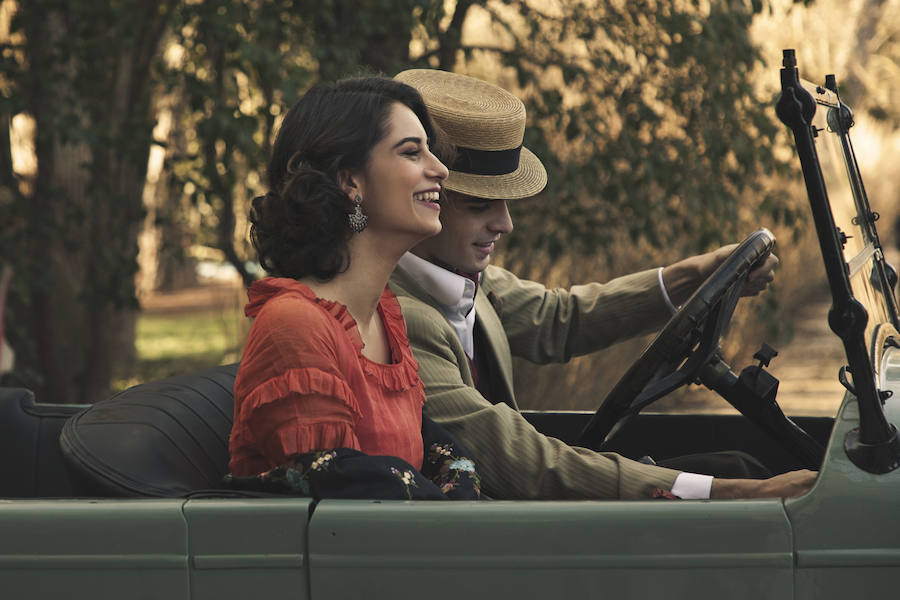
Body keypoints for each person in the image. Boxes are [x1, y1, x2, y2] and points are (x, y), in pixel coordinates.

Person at [389, 68, 815, 500]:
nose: (505, 224)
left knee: (738, 463)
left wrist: (692, 277)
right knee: (740, 476)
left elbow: (560, 319)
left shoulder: (459, 279)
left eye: (505, 202)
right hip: (490, 535)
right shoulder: (400, 318)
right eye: (479, 204)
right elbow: (523, 463)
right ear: (421, 193)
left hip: (513, 508)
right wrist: (738, 495)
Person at [227, 76, 480, 500]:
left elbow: (436, 448)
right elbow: (342, 501)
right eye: (411, 152)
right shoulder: (296, 324)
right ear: (351, 182)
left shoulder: (386, 315)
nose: (440, 169)